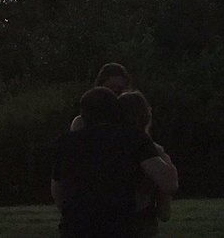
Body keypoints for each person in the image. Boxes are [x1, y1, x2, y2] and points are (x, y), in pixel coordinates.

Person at [51, 87, 178, 238]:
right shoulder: (133, 139)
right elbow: (168, 183)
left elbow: (57, 189)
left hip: (74, 228)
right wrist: (164, 158)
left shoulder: (65, 143)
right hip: (120, 227)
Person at [117, 90, 177, 234]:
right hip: (140, 223)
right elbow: (164, 213)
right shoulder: (153, 152)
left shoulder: (101, 150)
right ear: (146, 116)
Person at [70, 63, 132, 132]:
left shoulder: (132, 120)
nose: (114, 93)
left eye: (120, 89)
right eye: (110, 88)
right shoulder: (82, 122)